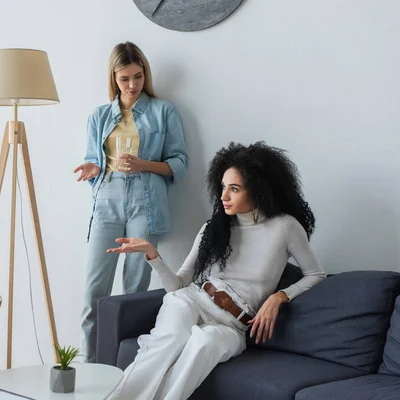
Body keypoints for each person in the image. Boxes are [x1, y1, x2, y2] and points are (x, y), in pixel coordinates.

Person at [105, 142, 327, 400]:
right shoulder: (213, 229)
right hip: (193, 300)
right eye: (223, 187)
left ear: (258, 190)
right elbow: (178, 286)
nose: (224, 196)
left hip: (233, 326)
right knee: (169, 340)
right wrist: (153, 256)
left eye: (234, 189)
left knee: (205, 343)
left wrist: (279, 297)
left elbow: (316, 274)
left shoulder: (285, 227)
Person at [74, 42, 189, 363]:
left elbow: (179, 163)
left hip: (146, 200)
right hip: (106, 199)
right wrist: (94, 167)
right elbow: (95, 160)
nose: (132, 85)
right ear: (114, 78)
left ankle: (126, 365)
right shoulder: (99, 116)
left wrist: (143, 165)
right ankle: (89, 365)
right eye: (124, 79)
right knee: (93, 291)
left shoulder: (164, 111)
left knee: (134, 291)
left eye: (138, 77)